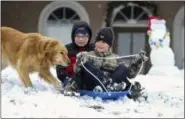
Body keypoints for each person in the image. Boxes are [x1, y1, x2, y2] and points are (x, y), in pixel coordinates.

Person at [64, 27, 148, 100]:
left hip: (112, 82)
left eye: (104, 42)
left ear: (109, 45)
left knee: (122, 68)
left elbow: (130, 74)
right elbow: (77, 71)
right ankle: (109, 86)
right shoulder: (89, 55)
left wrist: (138, 62)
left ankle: (111, 85)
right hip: (93, 85)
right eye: (98, 41)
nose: (100, 44)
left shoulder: (115, 57)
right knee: (86, 65)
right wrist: (79, 61)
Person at [56, 21, 94, 87]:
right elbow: (60, 69)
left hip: (90, 81)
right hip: (72, 81)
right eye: (78, 36)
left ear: (89, 37)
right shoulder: (66, 49)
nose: (81, 39)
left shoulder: (94, 49)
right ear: (73, 37)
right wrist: (66, 79)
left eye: (84, 36)